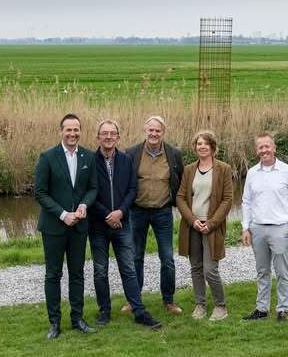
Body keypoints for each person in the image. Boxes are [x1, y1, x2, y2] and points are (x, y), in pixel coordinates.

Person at [88, 119, 161, 329]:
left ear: (118, 137)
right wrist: (107, 215)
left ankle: (139, 311)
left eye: (112, 133)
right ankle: (104, 310)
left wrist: (120, 212)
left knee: (128, 268)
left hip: (123, 223)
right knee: (100, 270)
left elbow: (132, 190)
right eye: (104, 133)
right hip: (98, 225)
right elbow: (88, 192)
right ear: (98, 137)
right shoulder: (90, 161)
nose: (108, 137)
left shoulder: (126, 160)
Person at [34, 113, 98, 339]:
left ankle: (77, 318)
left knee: (77, 274)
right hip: (54, 227)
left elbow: (93, 188)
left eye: (76, 129)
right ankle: (54, 323)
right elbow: (40, 192)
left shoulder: (88, 156)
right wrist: (63, 215)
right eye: (68, 129)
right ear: (61, 131)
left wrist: (84, 205)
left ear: (80, 131)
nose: (72, 133)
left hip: (79, 226)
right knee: (53, 275)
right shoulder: (47, 157)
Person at [241, 132, 288, 323]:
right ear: (257, 151)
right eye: (260, 147)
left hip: (281, 228)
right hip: (257, 229)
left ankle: (283, 309)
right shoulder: (252, 173)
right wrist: (245, 227)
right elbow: (246, 202)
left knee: (282, 272)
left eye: (267, 146)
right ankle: (262, 309)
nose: (264, 150)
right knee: (262, 271)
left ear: (274, 148)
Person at [124, 116, 185, 315]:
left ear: (163, 133)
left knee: (167, 257)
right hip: (137, 211)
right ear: (145, 130)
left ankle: (169, 300)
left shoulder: (174, 154)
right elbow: (125, 181)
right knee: (135, 256)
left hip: (163, 212)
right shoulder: (132, 153)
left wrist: (180, 205)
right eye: (151, 130)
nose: (154, 134)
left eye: (158, 130)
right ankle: (133, 301)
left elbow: (180, 180)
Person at [176, 130, 234, 321]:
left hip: (212, 227)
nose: (202, 146)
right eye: (198, 144)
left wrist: (211, 223)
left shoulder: (223, 169)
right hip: (192, 226)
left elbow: (227, 199)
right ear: (195, 148)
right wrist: (192, 220)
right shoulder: (189, 170)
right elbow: (180, 197)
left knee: (210, 269)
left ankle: (220, 306)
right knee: (196, 267)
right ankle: (200, 304)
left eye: (205, 143)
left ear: (212, 147)